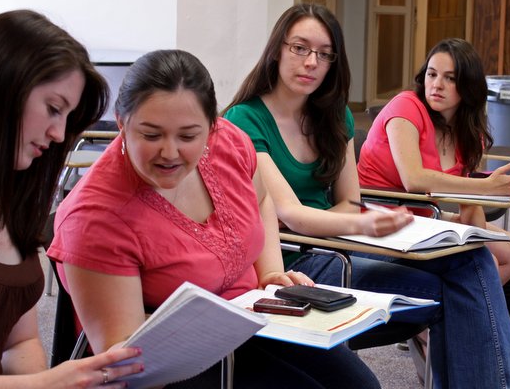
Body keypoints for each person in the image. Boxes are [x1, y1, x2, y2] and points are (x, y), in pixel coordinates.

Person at [223, 3, 510, 388]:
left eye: (323, 54)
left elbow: (350, 200)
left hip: (341, 240)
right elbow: (292, 214)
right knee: (456, 290)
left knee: (472, 260)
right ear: (277, 49)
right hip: (298, 257)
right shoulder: (245, 118)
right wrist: (361, 222)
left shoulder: (335, 117)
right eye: (299, 48)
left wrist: (352, 223)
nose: (311, 62)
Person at [48, 48, 381, 388]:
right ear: (121, 121)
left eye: (189, 136)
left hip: (250, 319)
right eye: (151, 135)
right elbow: (129, 360)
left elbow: (262, 199)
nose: (170, 152)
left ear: (212, 125)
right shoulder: (95, 217)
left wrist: (269, 272)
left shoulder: (229, 142)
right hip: (175, 360)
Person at [0, 9, 143, 387]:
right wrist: (49, 383)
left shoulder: (13, 203)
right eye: (53, 108)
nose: (60, 133)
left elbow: (19, 341)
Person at [357, 37, 510, 285]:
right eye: (432, 74)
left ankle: (455, 312)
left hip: (424, 216)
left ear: (467, 86)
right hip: (377, 218)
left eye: (450, 78)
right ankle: (456, 311)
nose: (437, 85)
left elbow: (469, 210)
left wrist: (493, 194)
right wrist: (488, 187)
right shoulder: (406, 106)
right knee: (483, 266)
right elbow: (414, 180)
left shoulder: (469, 135)